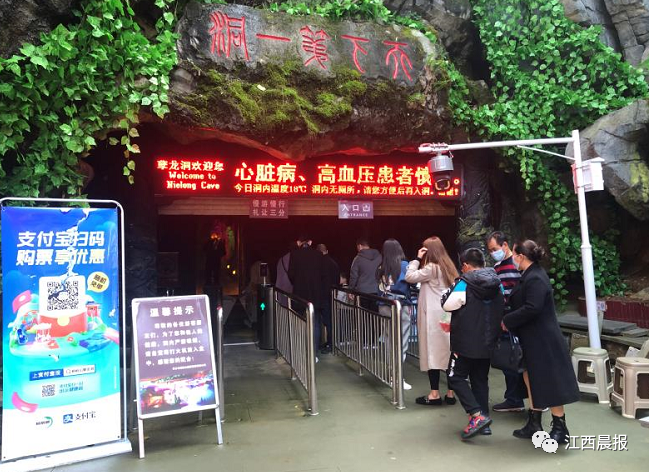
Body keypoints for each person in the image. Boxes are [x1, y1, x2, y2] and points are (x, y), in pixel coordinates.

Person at [502, 240, 580, 444]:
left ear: (521, 256)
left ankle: (560, 427)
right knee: (531, 377)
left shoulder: (535, 277)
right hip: (533, 337)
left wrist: (508, 320)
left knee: (548, 381)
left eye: (514, 254)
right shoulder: (530, 274)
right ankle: (534, 422)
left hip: (543, 339)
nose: (512, 258)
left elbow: (532, 308)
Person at [441, 248, 504, 439]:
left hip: (465, 342)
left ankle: (476, 416)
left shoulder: (463, 283)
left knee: (454, 377)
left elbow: (447, 304)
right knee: (480, 380)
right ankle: (484, 423)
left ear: (466, 265)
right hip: (488, 341)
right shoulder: (497, 283)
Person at [405, 236, 458, 407]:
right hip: (447, 316)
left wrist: (416, 258)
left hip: (432, 319)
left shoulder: (432, 268)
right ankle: (451, 393)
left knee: (432, 354)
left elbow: (409, 276)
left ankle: (434, 394)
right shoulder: (449, 266)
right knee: (449, 354)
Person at [486, 231, 525, 413]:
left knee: (521, 360)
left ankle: (525, 398)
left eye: (495, 249)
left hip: (517, 318)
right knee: (510, 360)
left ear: (505, 245)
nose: (493, 253)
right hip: (506, 319)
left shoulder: (517, 265)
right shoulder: (498, 266)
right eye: (490, 250)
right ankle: (514, 398)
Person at [377, 239, 414, 390]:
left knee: (389, 340)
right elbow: (412, 282)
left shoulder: (381, 267)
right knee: (401, 341)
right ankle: (398, 377)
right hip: (401, 306)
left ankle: (391, 374)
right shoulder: (405, 265)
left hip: (384, 305)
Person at [288, 235, 327, 350]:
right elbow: (323, 274)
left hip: (300, 294)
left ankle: (301, 348)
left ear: (298, 242)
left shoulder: (294, 255)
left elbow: (291, 274)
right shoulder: (318, 255)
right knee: (315, 322)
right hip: (316, 294)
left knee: (300, 321)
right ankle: (314, 351)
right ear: (310, 242)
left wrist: (297, 283)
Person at [316, 244, 340, 353]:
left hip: (322, 295)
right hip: (332, 294)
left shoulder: (319, 264)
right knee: (331, 319)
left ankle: (330, 344)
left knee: (327, 320)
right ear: (327, 251)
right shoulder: (333, 263)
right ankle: (331, 342)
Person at [349, 238, 382, 311]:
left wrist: (351, 290)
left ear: (360, 246)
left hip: (362, 292)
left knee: (363, 315)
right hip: (376, 290)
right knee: (375, 314)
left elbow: (354, 276)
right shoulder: (379, 257)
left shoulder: (357, 259)